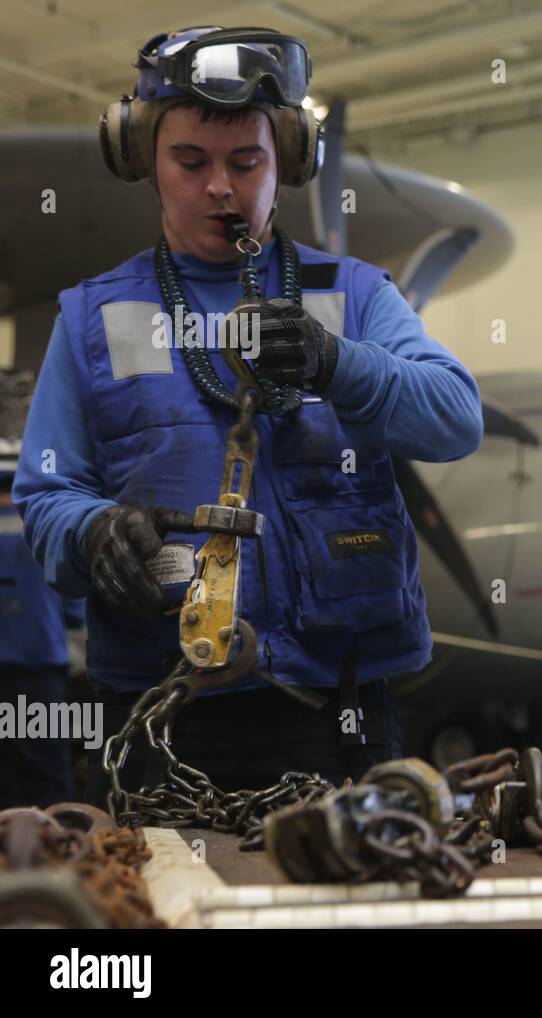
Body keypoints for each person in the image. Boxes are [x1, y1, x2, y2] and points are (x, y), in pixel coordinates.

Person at [11, 26, 483, 805]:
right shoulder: (91, 317)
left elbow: (455, 419)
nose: (221, 189)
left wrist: (337, 362)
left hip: (340, 711)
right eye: (190, 162)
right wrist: (94, 534)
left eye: (246, 162)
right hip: (161, 716)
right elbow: (47, 496)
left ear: (289, 162)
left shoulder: (356, 295)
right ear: (144, 161)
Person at [0, 372, 84, 807]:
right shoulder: (48, 502)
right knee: (47, 783)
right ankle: (56, 863)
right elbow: (74, 603)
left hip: (37, 664)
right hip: (40, 665)